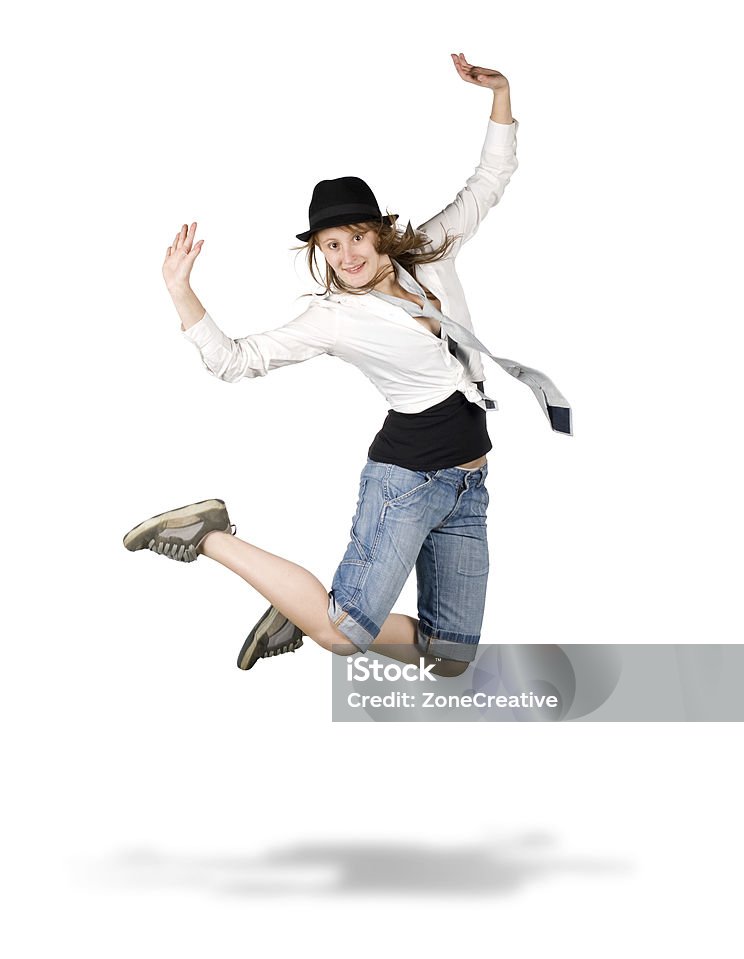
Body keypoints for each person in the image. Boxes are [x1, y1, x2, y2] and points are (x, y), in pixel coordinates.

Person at [123, 53, 571, 676]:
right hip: (407, 482)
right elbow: (235, 361)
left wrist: (501, 93)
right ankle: (211, 535)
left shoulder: (432, 253)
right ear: (319, 252)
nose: (347, 255)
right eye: (331, 246)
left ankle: (300, 606)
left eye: (357, 236)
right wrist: (181, 292)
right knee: (340, 636)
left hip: (469, 486)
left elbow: (489, 181)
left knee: (450, 659)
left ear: (380, 232)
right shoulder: (333, 316)